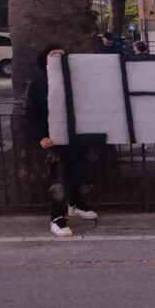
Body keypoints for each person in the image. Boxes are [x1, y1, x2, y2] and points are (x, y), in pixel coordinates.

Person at [25, 45, 99, 237]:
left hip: (78, 136)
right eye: (53, 55)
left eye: (62, 55)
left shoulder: (76, 81)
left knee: (82, 172)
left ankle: (75, 205)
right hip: (54, 139)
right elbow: (32, 114)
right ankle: (57, 218)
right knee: (58, 177)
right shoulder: (39, 84)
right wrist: (41, 137)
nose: (58, 58)